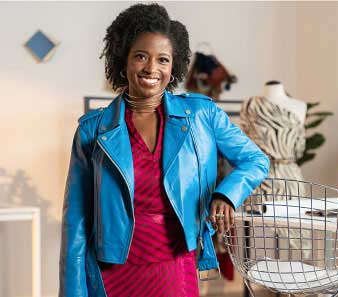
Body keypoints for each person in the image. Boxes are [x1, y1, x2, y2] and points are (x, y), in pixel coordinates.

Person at [59, 3, 269, 297]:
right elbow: (76, 224)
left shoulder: (202, 115)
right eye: (141, 56)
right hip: (113, 272)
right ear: (123, 61)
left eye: (163, 59)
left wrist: (226, 194)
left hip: (173, 263)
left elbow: (255, 160)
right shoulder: (92, 130)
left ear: (173, 68)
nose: (151, 68)